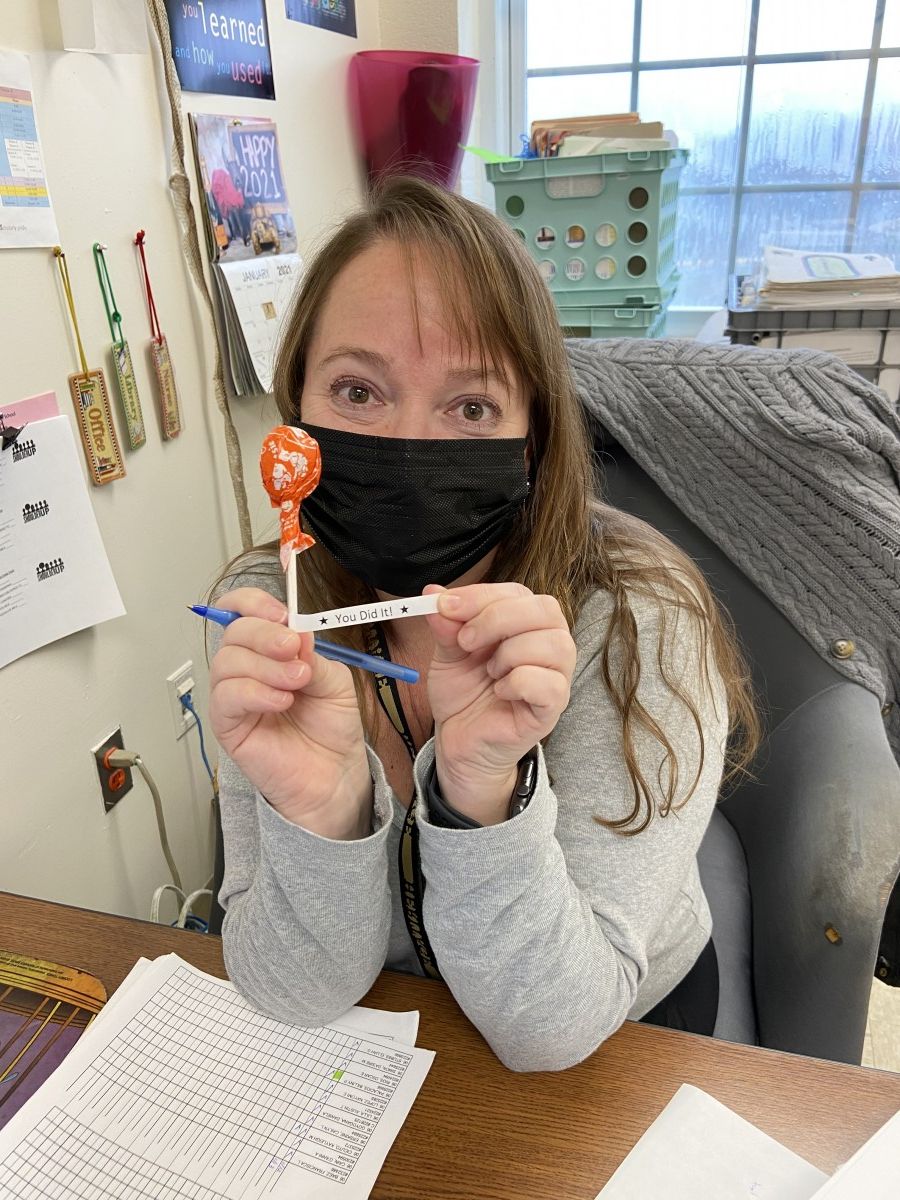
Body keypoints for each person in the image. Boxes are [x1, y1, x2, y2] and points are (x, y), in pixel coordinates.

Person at [207, 175, 759, 1072]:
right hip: (384, 1039)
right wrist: (320, 812)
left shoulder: (638, 617)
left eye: (471, 407)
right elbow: (294, 992)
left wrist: (480, 793)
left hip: (615, 1038)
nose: (409, 446)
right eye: (356, 391)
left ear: (535, 436)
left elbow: (555, 1029)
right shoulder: (274, 609)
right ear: (295, 409)